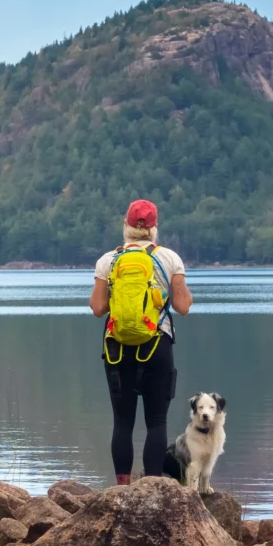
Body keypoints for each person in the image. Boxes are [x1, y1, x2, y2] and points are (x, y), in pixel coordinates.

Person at [90, 199, 193, 485]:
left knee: (122, 422)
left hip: (117, 347)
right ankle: (153, 487)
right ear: (154, 228)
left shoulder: (108, 260)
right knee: (156, 421)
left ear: (127, 226)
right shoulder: (169, 258)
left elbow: (98, 308)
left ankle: (122, 489)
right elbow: (183, 307)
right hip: (157, 345)